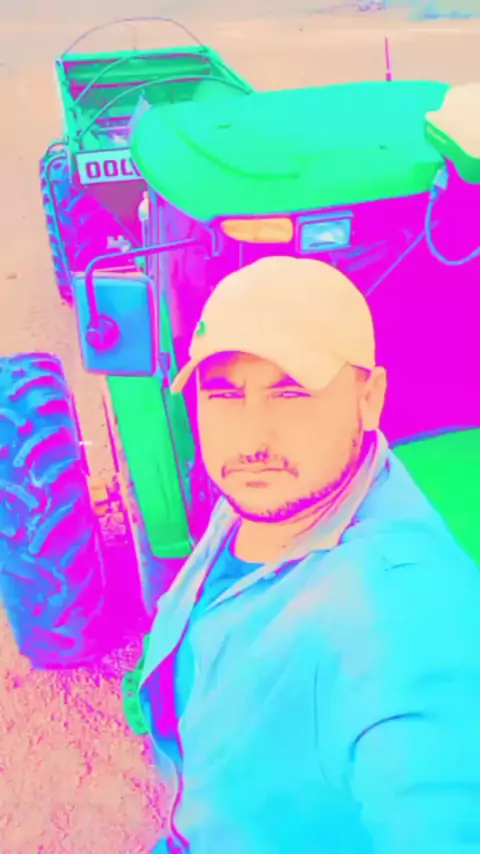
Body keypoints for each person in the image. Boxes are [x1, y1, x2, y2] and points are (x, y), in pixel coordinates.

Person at [140, 256, 480, 854]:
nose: (252, 438)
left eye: (291, 392)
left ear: (369, 397)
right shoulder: (279, 491)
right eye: (223, 393)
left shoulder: (399, 619)